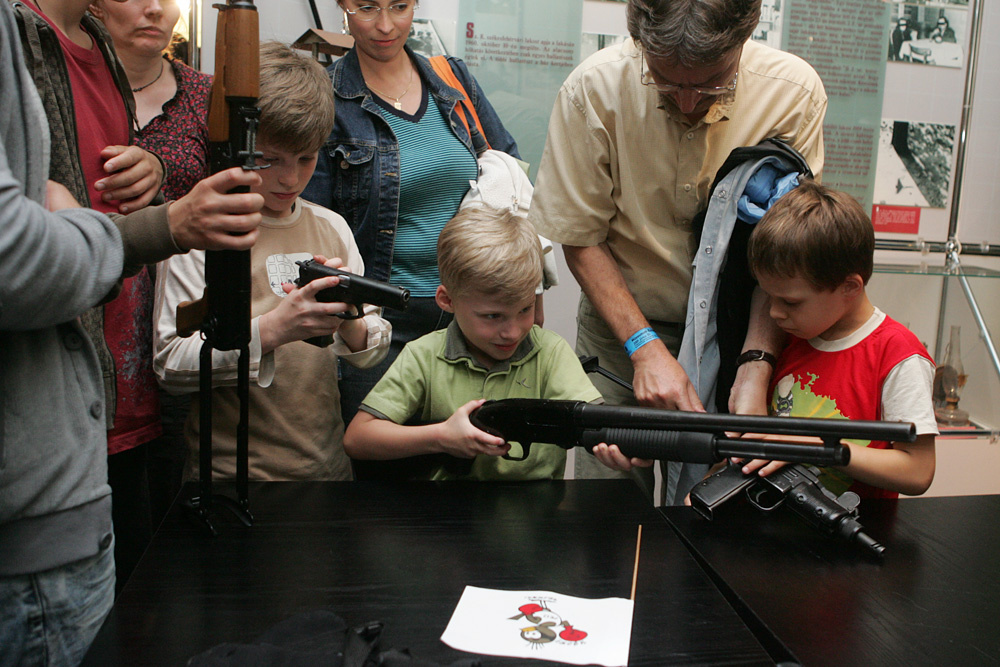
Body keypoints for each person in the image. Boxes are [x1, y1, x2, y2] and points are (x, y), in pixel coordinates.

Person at [0, 2, 262, 664]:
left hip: (110, 400)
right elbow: (20, 250)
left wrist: (119, 201)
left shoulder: (95, 50)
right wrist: (136, 223)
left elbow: (74, 205)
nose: (155, 4)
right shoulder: (25, 38)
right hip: (42, 449)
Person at [530, 0, 827, 505]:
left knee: (722, 511)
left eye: (712, 82)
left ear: (744, 37)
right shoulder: (594, 90)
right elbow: (580, 235)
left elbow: (783, 254)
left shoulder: (791, 94)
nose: (688, 103)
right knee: (610, 507)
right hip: (621, 325)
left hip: (742, 327)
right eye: (666, 82)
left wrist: (756, 364)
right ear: (641, 43)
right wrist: (643, 347)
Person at [301, 0, 521, 481]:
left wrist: (524, 291)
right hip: (377, 325)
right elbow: (311, 223)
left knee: (474, 469)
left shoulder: (451, 79)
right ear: (341, 5)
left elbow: (506, 169)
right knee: (385, 485)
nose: (385, 25)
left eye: (399, 6)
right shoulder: (326, 96)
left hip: (466, 316)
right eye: (366, 8)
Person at [154, 42, 391, 482]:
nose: (290, 177)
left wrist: (350, 322)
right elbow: (171, 364)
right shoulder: (201, 229)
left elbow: (371, 344)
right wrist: (274, 329)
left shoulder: (331, 227)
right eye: (270, 159)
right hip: (229, 480)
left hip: (327, 471)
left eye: (306, 158)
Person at [344, 208, 602, 481]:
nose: (512, 332)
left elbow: (600, 425)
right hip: (445, 516)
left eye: (525, 310)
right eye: (493, 316)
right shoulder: (423, 355)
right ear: (447, 301)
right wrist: (441, 437)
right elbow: (358, 438)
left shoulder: (551, 351)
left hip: (539, 513)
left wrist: (616, 445)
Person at [89, 0, 213, 531]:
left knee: (161, 503)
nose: (155, 8)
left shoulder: (207, 95)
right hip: (91, 309)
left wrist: (163, 175)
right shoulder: (71, 83)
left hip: (180, 323)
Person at [741, 181, 936, 498]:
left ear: (850, 288)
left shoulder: (897, 354)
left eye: (790, 302)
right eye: (769, 297)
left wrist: (818, 446)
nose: (774, 314)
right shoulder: (794, 334)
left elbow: (918, 471)